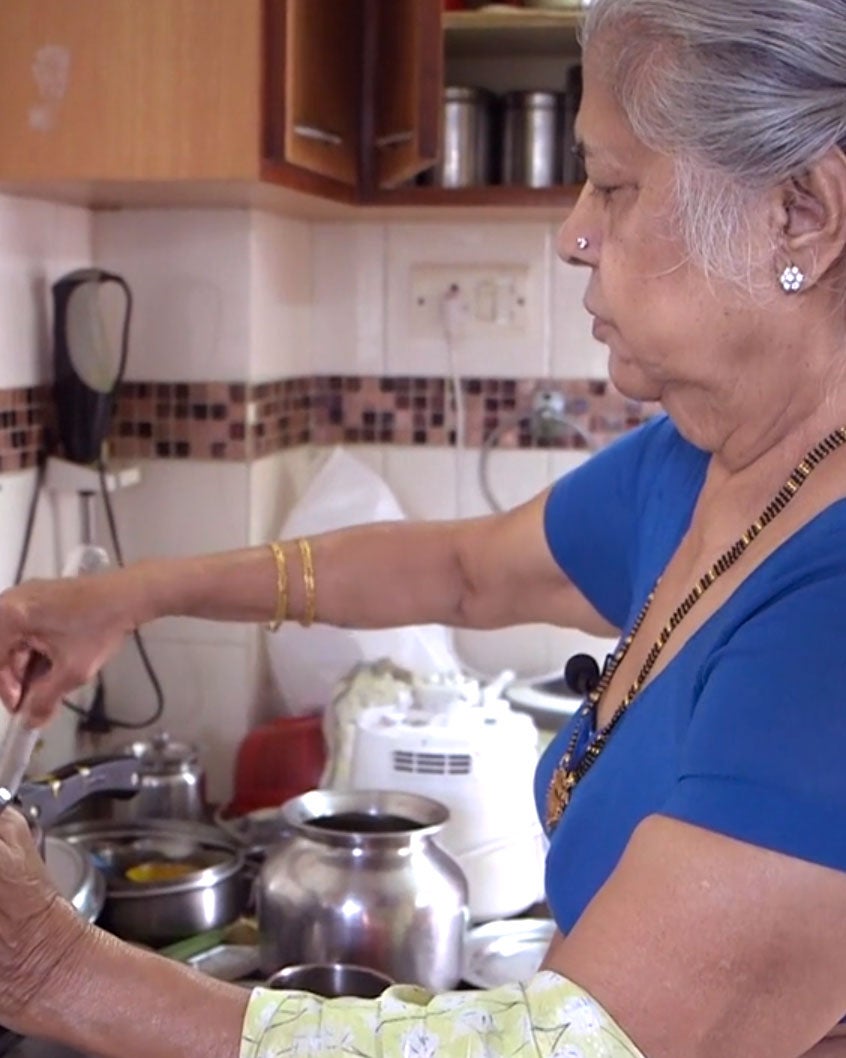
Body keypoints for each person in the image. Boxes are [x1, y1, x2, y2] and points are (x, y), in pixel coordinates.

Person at [2, 1, 846, 1055]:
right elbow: (456, 572)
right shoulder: (703, 463)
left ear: (801, 214)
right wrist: (131, 593)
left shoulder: (831, 611)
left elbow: (572, 1044)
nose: (573, 232)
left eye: (615, 185)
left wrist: (49, 966)